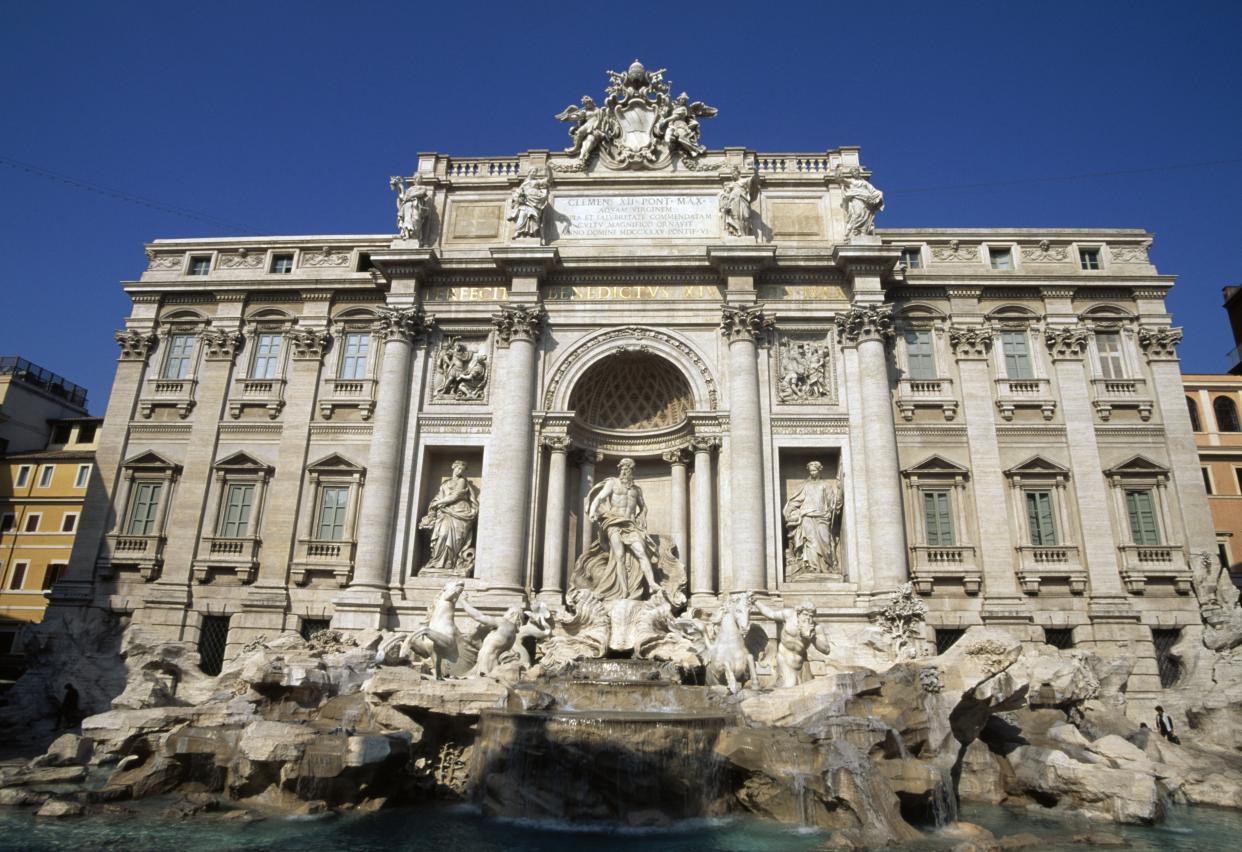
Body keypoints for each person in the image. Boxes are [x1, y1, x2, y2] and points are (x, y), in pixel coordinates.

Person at [782, 461, 844, 576]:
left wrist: (837, 503)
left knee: (825, 541)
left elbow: (832, 502)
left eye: (815, 470)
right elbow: (796, 501)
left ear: (819, 470)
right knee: (810, 541)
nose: (813, 473)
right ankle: (812, 567)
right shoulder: (805, 485)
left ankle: (826, 566)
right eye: (811, 471)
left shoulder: (825, 485)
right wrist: (789, 510)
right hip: (807, 516)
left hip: (823, 517)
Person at [419, 461, 479, 574]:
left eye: (462, 470)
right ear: (453, 468)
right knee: (442, 535)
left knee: (455, 540)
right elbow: (439, 496)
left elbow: (455, 496)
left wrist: (439, 503)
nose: (460, 471)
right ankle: (437, 562)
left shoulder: (462, 481)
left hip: (459, 513)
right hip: (445, 513)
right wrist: (435, 504)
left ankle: (450, 562)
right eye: (458, 468)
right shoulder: (445, 483)